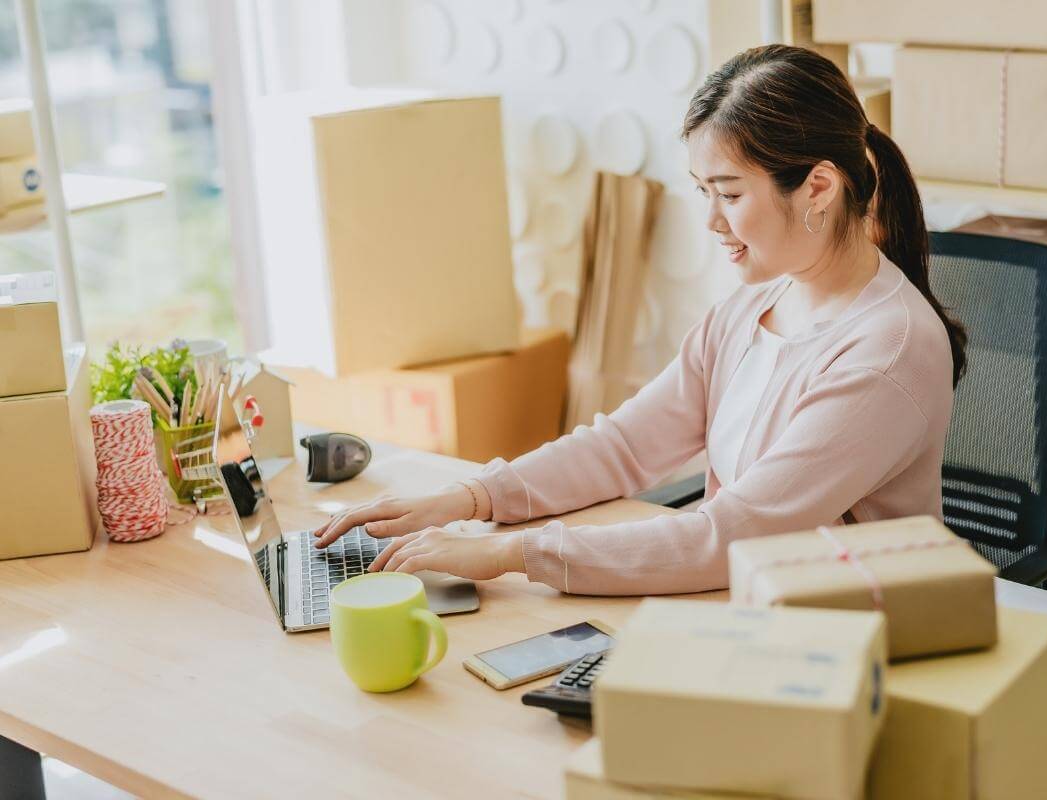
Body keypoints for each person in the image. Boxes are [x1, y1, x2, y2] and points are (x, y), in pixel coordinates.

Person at [312, 45, 967, 596]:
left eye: (731, 195)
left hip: (860, 645)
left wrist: (517, 554)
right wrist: (471, 498)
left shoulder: (887, 349)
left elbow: (730, 533)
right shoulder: (752, 308)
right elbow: (623, 446)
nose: (712, 222)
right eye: (703, 192)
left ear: (818, 188)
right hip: (749, 603)